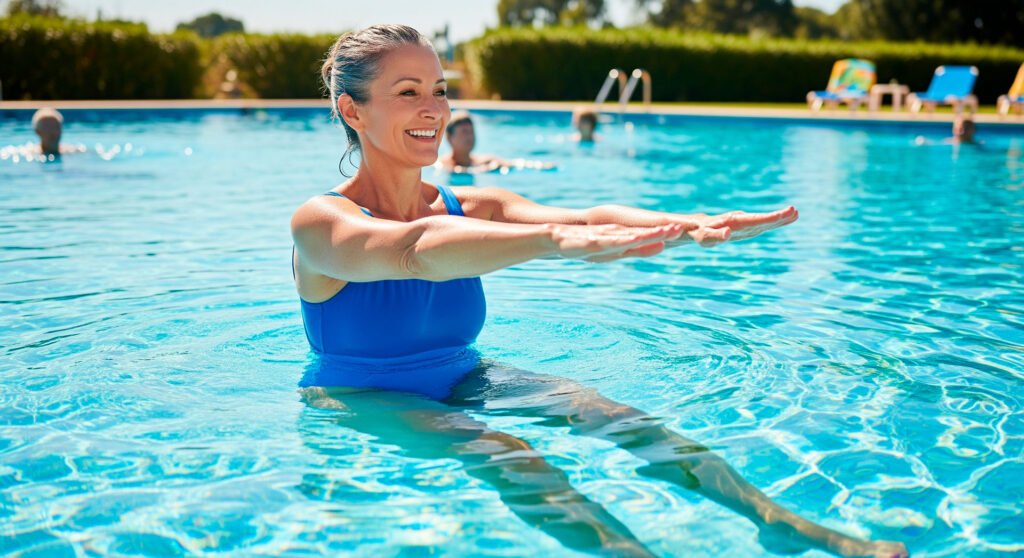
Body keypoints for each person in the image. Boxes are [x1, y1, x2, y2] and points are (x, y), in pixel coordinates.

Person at [292, 25, 908, 558]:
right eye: (407, 94)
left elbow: (584, 215)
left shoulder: (468, 204)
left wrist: (689, 225)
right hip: (360, 394)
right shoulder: (320, 224)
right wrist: (551, 241)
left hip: (463, 373)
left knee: (620, 419)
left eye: (439, 90)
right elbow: (411, 251)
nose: (433, 109)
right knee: (510, 454)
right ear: (353, 110)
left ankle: (782, 527)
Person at [437, 110, 553, 173]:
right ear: (449, 138)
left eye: (471, 132)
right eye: (464, 132)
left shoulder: (483, 160)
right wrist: (487, 169)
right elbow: (460, 171)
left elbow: (513, 163)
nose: (470, 136)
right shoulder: (442, 165)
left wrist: (538, 165)